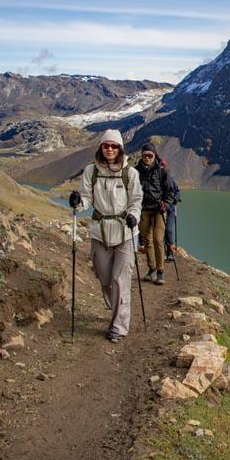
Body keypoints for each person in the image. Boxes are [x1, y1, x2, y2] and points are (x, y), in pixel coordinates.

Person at [69, 129, 142, 343]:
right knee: (105, 278)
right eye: (106, 145)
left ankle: (118, 326)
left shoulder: (130, 173)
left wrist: (134, 217)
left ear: (120, 148)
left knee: (120, 280)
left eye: (114, 146)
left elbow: (136, 201)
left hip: (125, 232)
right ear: (101, 147)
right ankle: (115, 308)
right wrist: (78, 202)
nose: (110, 149)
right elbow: (86, 198)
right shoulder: (91, 171)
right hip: (100, 232)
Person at [134, 143, 174, 285]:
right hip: (143, 210)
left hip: (158, 210)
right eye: (144, 155)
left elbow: (170, 191)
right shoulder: (136, 171)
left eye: (150, 155)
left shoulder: (162, 171)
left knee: (158, 240)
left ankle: (160, 271)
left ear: (154, 156)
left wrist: (166, 205)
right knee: (147, 241)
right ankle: (152, 270)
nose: (147, 158)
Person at [160, 156, 182, 261]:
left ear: (165, 167)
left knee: (168, 229)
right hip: (159, 209)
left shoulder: (171, 179)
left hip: (170, 209)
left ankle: (169, 251)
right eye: (160, 165)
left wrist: (176, 199)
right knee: (159, 231)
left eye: (163, 166)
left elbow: (177, 191)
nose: (161, 167)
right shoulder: (155, 180)